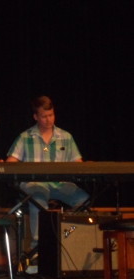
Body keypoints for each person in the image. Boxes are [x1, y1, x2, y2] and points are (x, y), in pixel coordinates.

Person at [6, 95, 89, 253]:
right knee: (38, 197)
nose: (48, 119)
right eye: (44, 116)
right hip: (35, 184)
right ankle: (38, 249)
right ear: (35, 117)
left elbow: (77, 163)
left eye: (51, 115)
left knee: (83, 201)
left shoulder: (66, 137)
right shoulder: (25, 137)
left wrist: (84, 165)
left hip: (60, 184)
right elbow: (11, 162)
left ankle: (69, 241)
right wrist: (5, 164)